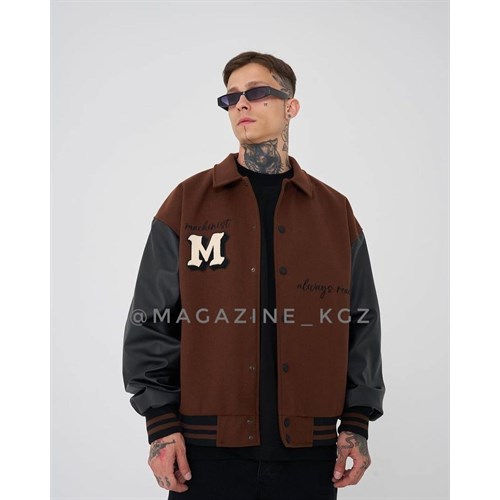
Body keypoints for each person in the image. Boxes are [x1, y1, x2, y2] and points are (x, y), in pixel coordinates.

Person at [122, 51, 385, 500]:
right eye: (231, 97)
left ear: (290, 106)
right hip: (205, 453)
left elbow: (362, 321)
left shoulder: (334, 211)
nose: (241, 103)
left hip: (310, 453)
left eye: (258, 92)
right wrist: (161, 426)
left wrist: (356, 422)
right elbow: (151, 317)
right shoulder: (187, 202)